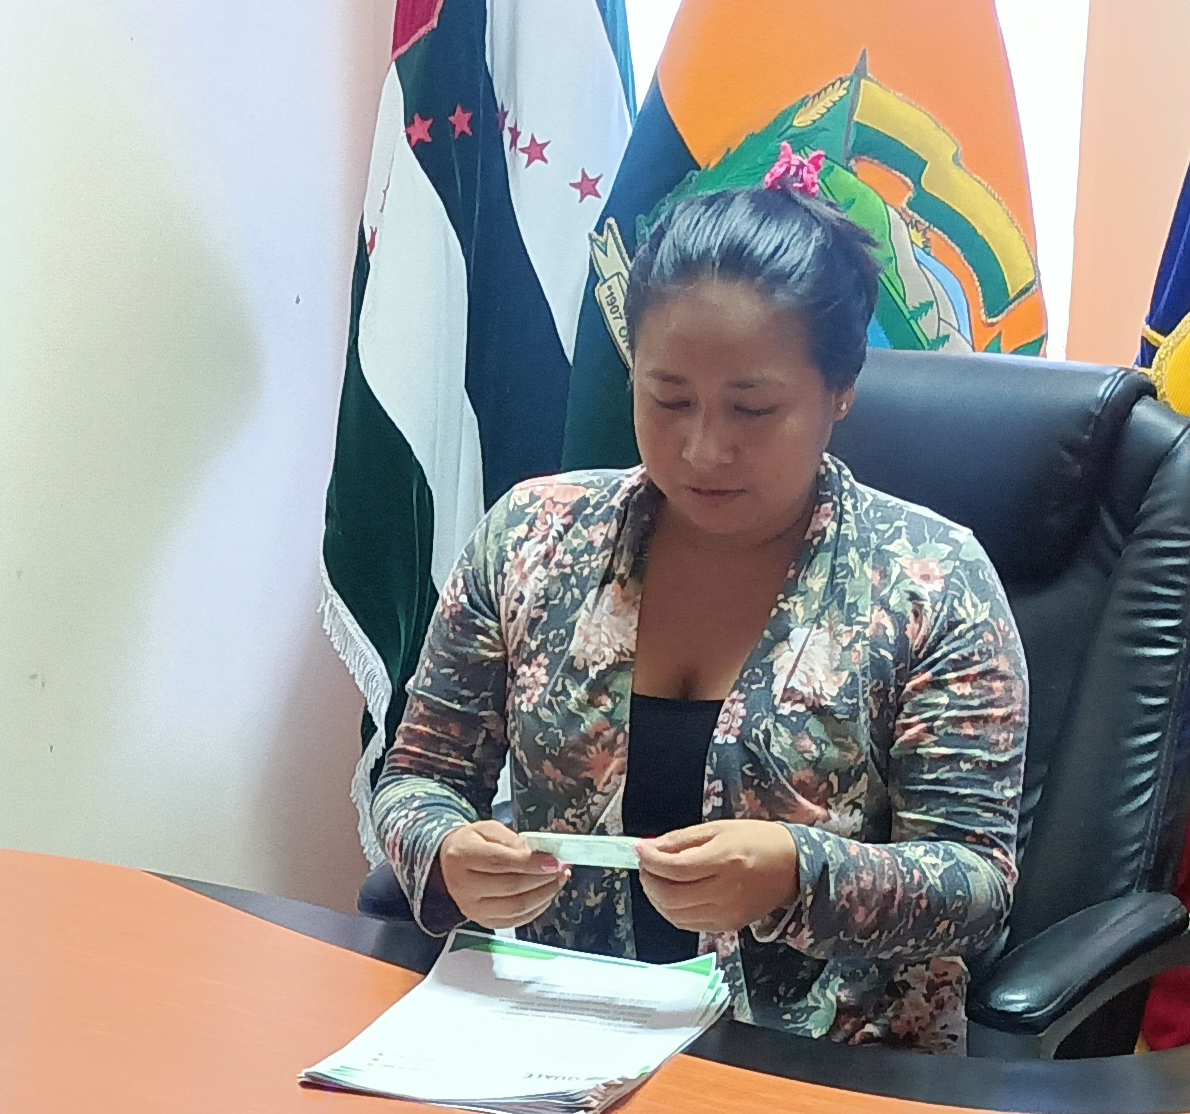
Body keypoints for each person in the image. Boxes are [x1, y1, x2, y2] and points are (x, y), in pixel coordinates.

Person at [371, 162, 1030, 1052]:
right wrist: (444, 851)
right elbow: (419, 778)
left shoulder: (932, 582)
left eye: (753, 409)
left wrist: (796, 874)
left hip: (821, 1068)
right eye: (668, 399)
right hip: (554, 1038)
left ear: (840, 390)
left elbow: (976, 885)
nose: (703, 449)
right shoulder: (533, 537)